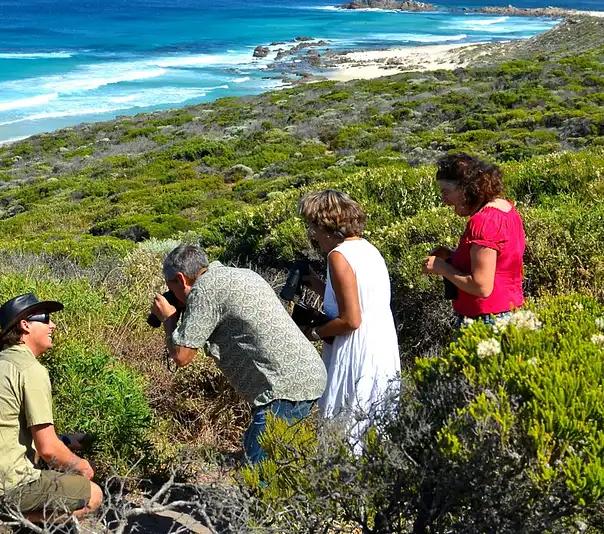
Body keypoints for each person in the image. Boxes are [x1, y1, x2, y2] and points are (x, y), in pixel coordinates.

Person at [149, 243, 328, 465]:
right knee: (283, 465)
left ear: (181, 279)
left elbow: (181, 356)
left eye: (171, 287)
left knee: (259, 476)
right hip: (305, 376)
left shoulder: (205, 289)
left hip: (281, 390)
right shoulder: (240, 273)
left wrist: (169, 319)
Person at [0, 293, 103, 521]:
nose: (53, 325)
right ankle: (1, 521)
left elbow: (7, 432)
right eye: (46, 318)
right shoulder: (30, 370)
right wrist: (81, 466)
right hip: (1, 486)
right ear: (25, 325)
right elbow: (48, 449)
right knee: (93, 495)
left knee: (44, 463)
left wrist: (65, 441)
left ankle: (0, 514)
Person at [298, 190, 400, 447]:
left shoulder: (338, 256)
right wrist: (319, 286)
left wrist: (314, 332)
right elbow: (362, 298)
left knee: (347, 423)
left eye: (313, 227)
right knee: (377, 419)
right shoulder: (367, 249)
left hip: (356, 347)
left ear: (326, 225)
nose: (313, 236)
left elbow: (351, 319)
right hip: (381, 342)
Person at [421, 153, 526, 327]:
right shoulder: (505, 209)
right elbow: (497, 263)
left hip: (486, 320)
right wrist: (452, 256)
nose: (444, 200)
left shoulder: (485, 221)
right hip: (509, 313)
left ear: (465, 188)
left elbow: (481, 287)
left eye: (446, 192)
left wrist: (441, 267)